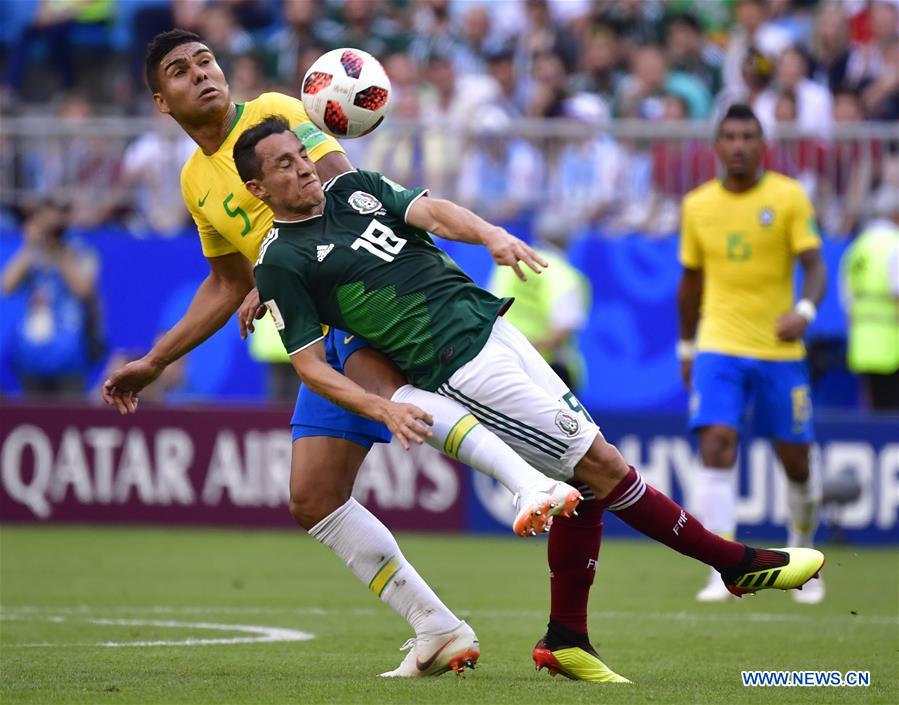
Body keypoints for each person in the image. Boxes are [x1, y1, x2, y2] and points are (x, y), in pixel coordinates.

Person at [237, 114, 826, 683]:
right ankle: (734, 562)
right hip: (456, 364)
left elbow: (433, 212)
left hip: (495, 329)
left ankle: (567, 638)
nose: (303, 170)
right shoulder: (281, 260)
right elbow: (311, 364)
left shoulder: (354, 188)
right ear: (258, 188)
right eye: (284, 167)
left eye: (301, 156)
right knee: (604, 465)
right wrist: (382, 407)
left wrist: (491, 233)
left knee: (590, 482)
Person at [100, 29, 575, 679]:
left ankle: (530, 482)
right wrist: (155, 360)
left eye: (207, 60)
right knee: (314, 496)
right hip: (319, 318)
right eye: (182, 71)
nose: (202, 74)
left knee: (398, 403)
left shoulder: (275, 112)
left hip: (366, 296)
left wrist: (273, 273)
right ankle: (436, 625)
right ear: (161, 101)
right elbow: (226, 282)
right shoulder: (193, 180)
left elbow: (347, 198)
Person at [677, 104, 828, 605]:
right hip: (719, 345)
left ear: (762, 145)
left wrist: (804, 311)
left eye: (748, 136)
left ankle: (804, 559)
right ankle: (725, 568)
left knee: (797, 461)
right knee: (716, 443)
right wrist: (686, 346)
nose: (739, 145)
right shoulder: (697, 205)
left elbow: (815, 265)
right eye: (730, 137)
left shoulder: (787, 197)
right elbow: (690, 282)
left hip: (779, 351)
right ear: (717, 146)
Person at [2, 202, 102, 397]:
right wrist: (30, 247)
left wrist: (60, 252)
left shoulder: (81, 253)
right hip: (32, 356)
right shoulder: (30, 256)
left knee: (69, 418)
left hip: (69, 357)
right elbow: (7, 286)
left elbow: (83, 290)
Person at [841, 211, 899, 411]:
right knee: (891, 412)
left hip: (862, 339)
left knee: (873, 407)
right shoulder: (895, 245)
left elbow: (846, 297)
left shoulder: (857, 248)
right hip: (892, 341)